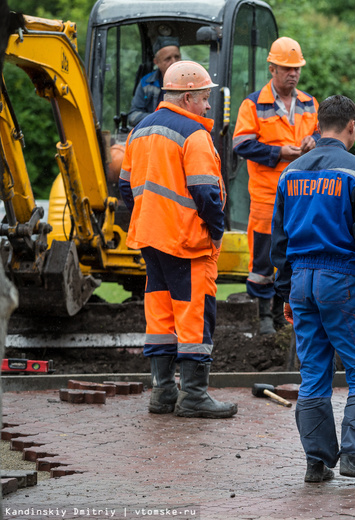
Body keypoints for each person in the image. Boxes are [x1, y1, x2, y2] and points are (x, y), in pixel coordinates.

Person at [270, 95, 355, 484]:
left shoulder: (290, 173)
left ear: (318, 124)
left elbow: (277, 243)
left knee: (313, 374)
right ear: (351, 126)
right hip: (341, 280)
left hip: (301, 283)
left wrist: (284, 294)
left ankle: (317, 461)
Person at [119, 61, 237, 419]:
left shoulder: (139, 130)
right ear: (187, 97)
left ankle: (163, 394)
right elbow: (206, 193)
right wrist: (215, 231)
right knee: (193, 316)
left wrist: (151, 214)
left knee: (160, 316)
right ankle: (194, 396)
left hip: (150, 240)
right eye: (204, 98)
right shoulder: (194, 134)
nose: (207, 106)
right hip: (187, 241)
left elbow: (126, 187)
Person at [233, 37, 319, 335]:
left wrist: (314, 142)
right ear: (272, 69)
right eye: (286, 68)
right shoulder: (253, 104)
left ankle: (284, 312)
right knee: (264, 257)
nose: (292, 74)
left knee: (294, 255)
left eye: (296, 69)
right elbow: (241, 144)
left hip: (302, 196)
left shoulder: (310, 103)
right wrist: (279, 152)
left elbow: (322, 137)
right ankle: (264, 316)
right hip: (267, 196)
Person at [128, 36, 181, 126]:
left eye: (177, 57)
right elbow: (133, 117)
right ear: (156, 62)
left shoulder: (191, 82)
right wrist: (160, 119)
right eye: (168, 59)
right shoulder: (146, 83)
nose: (174, 61)